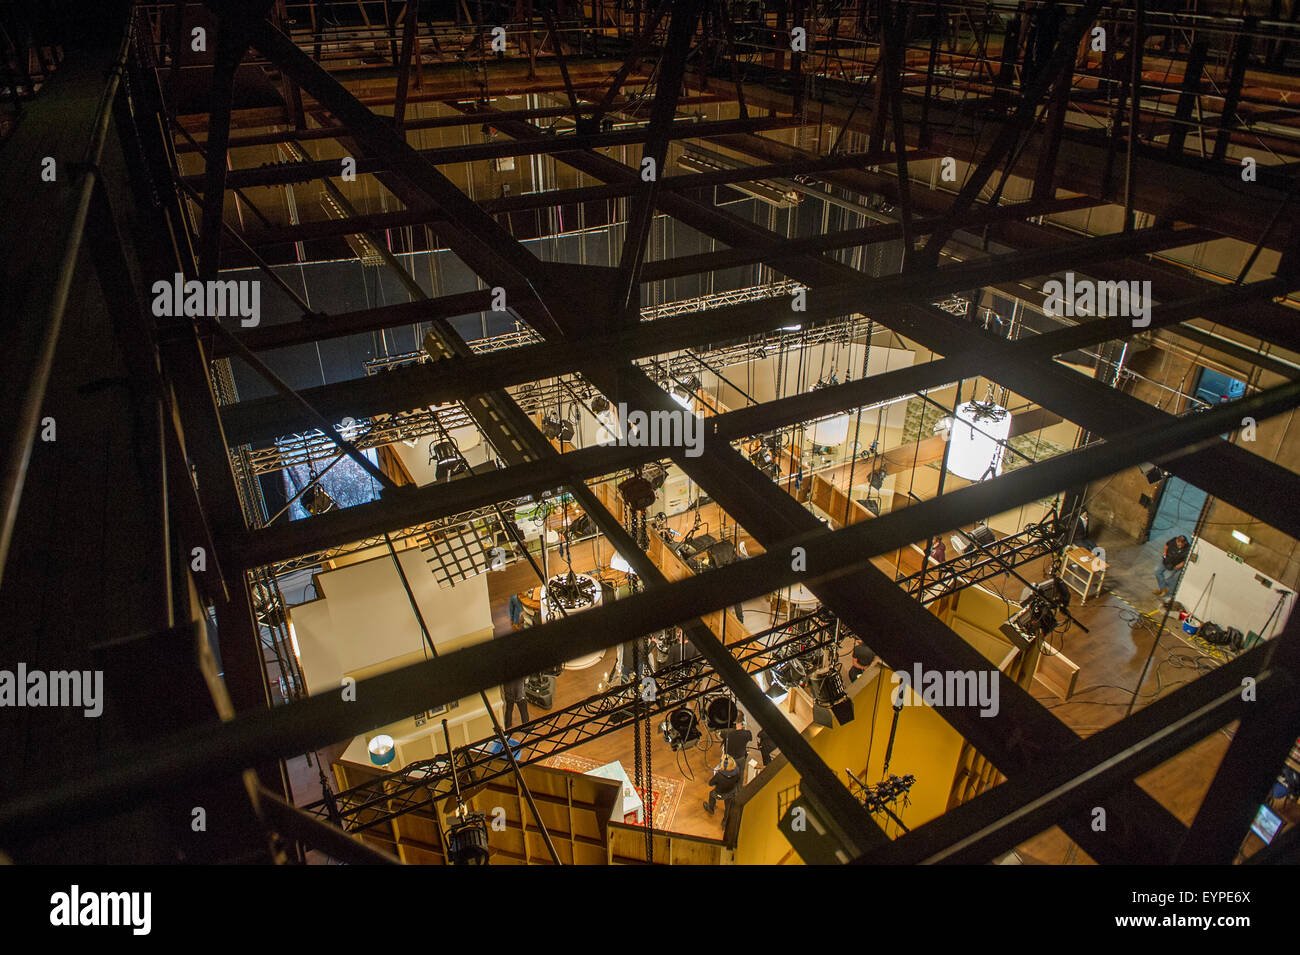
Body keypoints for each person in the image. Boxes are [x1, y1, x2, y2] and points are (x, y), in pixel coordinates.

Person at [703, 755, 742, 827]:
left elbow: (710, 783)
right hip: (731, 792)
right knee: (728, 807)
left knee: (711, 794)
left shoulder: (719, 775)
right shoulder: (737, 771)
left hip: (720, 793)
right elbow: (738, 781)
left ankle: (711, 808)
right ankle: (725, 822)